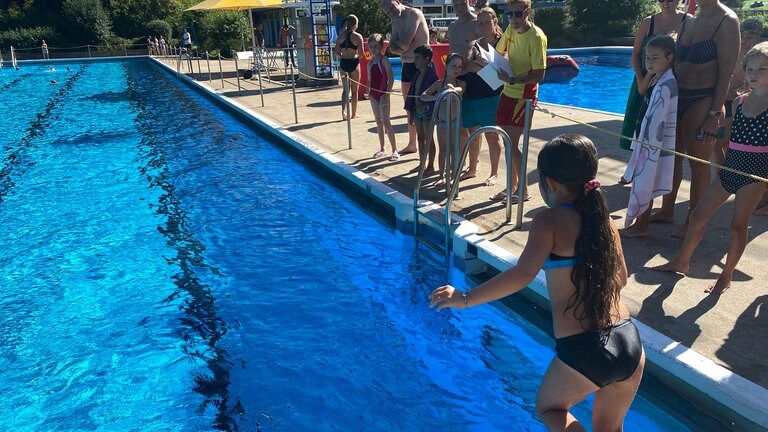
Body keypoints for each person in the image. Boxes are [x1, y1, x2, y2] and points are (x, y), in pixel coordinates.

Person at [430, 134, 645, 431]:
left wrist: (465, 298)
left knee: (549, 407)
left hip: (586, 347)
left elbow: (522, 275)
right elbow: (620, 278)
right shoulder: (605, 221)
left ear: (551, 183)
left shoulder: (548, 221)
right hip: (629, 341)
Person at [655, 42, 768, 295]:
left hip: (754, 175)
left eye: (762, 69)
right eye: (750, 69)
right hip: (731, 167)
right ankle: (682, 262)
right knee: (697, 216)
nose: (753, 74)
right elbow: (729, 132)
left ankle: (725, 276)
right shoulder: (739, 102)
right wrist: (711, 133)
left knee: (737, 226)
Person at [651, 0, 740, 238]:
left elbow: (726, 73)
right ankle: (667, 209)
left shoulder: (727, 21)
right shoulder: (690, 19)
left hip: (704, 99)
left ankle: (693, 221)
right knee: (673, 158)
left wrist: (713, 114)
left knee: (698, 165)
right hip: (679, 97)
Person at [621, 35, 679, 238]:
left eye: (655, 58)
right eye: (647, 58)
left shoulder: (666, 84)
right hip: (646, 142)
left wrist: (647, 145)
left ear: (669, 57)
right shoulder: (658, 78)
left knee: (646, 182)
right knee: (644, 182)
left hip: (652, 145)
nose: (649, 62)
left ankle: (642, 225)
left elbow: (659, 120)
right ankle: (639, 222)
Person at [490, 0, 547, 204]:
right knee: (507, 143)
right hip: (508, 91)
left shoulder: (536, 37)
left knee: (513, 144)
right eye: (509, 14)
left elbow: (539, 75)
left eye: (517, 14)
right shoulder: (511, 30)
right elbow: (499, 51)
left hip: (524, 94)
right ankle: (512, 186)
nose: (512, 19)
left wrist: (513, 78)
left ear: (528, 12)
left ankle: (522, 190)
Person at [618, 0, 689, 159]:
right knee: (640, 121)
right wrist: (642, 79)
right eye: (661, 0)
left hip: (673, 80)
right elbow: (636, 55)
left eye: (670, 0)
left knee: (664, 127)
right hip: (646, 77)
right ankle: (634, 165)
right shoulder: (648, 22)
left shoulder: (688, 21)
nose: (665, 3)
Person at [460, 6, 505, 187]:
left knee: (492, 136)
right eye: (481, 23)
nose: (485, 26)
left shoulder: (503, 43)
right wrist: (482, 67)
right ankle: (472, 168)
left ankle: (494, 173)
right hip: (471, 94)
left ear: (495, 22)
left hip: (491, 96)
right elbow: (467, 68)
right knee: (473, 133)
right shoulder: (476, 44)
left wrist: (480, 67)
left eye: (488, 22)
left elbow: (502, 74)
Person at [381, 0, 430, 155]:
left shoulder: (414, 14)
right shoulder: (395, 22)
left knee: (423, 108)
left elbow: (402, 44)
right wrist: (402, 47)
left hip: (421, 66)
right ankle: (412, 144)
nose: (391, 13)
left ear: (397, 1)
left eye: (392, 8)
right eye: (387, 12)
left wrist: (401, 46)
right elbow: (394, 48)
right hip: (406, 66)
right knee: (409, 108)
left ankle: (426, 148)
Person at [446, 0, 484, 182]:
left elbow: (486, 51)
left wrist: (473, 65)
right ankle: (463, 162)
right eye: (455, 4)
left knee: (473, 126)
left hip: (473, 78)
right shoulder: (452, 27)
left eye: (461, 3)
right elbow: (451, 52)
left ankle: (474, 167)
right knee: (460, 125)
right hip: (456, 77)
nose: (458, 7)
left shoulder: (477, 22)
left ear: (468, 2)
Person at [421, 53, 467, 185]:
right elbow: (423, 96)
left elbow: (460, 90)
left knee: (454, 149)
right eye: (453, 66)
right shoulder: (439, 84)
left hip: (455, 122)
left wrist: (452, 89)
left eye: (459, 67)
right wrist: (435, 98)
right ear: (446, 66)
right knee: (443, 149)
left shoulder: (461, 83)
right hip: (442, 122)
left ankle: (452, 176)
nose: (456, 69)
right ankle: (441, 175)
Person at [404, 45, 439, 174]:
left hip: (427, 112)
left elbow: (436, 96)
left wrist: (426, 105)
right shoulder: (417, 75)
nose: (415, 60)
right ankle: (422, 163)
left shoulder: (431, 76)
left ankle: (431, 165)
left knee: (429, 138)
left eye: (417, 58)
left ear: (426, 59)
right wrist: (411, 113)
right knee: (420, 137)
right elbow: (412, 95)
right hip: (418, 111)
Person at [368, 34, 400, 161]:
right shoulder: (370, 63)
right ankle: (382, 148)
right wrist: (367, 89)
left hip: (383, 94)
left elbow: (391, 79)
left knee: (386, 122)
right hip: (373, 95)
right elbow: (370, 79)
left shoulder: (384, 60)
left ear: (381, 47)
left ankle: (395, 150)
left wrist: (387, 95)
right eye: (371, 46)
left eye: (376, 46)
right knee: (378, 121)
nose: (373, 49)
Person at [334, 15, 365, 120]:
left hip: (344, 63)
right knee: (354, 90)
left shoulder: (341, 36)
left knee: (345, 90)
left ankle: (343, 112)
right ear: (355, 24)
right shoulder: (358, 37)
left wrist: (343, 55)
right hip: (354, 63)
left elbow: (336, 52)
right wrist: (354, 55)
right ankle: (354, 113)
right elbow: (361, 54)